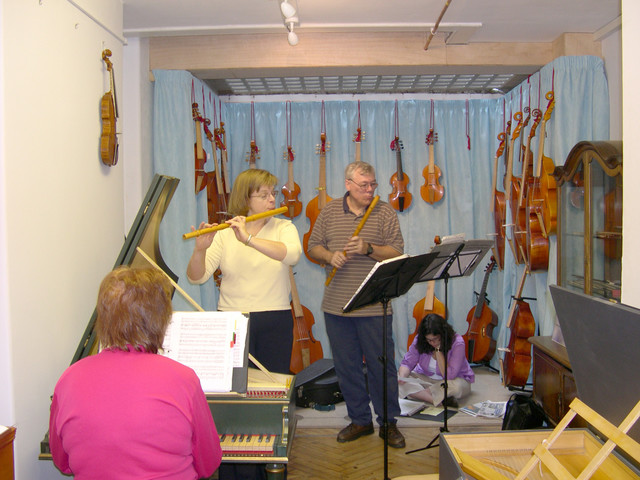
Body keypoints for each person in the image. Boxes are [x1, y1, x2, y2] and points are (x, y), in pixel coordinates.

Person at [49, 266, 222, 480]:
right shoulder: (184, 379)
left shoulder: (68, 379)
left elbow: (63, 462)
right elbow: (209, 462)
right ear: (160, 319)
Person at [307, 161, 406, 449]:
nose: (370, 189)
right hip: (337, 305)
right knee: (347, 367)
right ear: (348, 184)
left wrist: (369, 248)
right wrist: (329, 256)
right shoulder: (329, 211)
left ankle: (388, 423)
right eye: (364, 185)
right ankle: (360, 420)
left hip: (375, 306)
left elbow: (397, 253)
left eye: (373, 184)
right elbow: (313, 246)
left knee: (382, 368)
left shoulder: (384, 211)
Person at [187, 168, 302, 375]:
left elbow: (292, 255)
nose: (272, 199)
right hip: (233, 319)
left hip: (275, 317)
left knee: (273, 385)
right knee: (236, 385)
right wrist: (199, 250)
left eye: (273, 193)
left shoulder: (284, 227)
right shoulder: (224, 233)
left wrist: (249, 239)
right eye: (264, 195)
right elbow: (196, 277)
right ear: (245, 199)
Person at [398, 313, 475, 407]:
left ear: (442, 334)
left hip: (452, 380)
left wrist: (438, 349)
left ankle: (419, 394)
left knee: (457, 387)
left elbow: (449, 375)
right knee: (397, 379)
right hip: (425, 378)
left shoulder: (457, 343)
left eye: (435, 339)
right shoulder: (420, 340)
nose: (432, 342)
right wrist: (402, 377)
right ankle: (436, 400)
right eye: (429, 340)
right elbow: (407, 362)